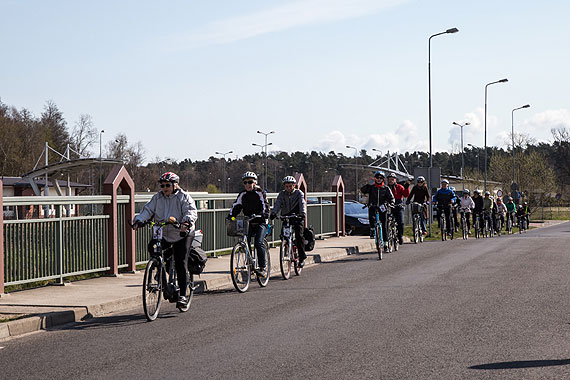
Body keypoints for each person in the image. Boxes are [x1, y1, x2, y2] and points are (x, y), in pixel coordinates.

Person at [133, 172, 198, 309]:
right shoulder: (157, 198)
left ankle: (183, 296)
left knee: (181, 262)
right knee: (153, 248)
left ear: (175, 185)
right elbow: (147, 210)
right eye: (162, 185)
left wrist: (186, 223)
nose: (164, 188)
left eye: (167, 185)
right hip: (163, 232)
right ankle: (160, 273)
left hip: (182, 233)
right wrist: (139, 220)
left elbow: (190, 211)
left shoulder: (184, 197)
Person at [229, 172, 270, 277]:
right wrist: (231, 216)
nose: (248, 184)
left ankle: (262, 267)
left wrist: (264, 214)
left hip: (260, 221)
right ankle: (250, 264)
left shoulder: (260, 192)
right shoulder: (242, 194)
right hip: (248, 222)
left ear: (255, 182)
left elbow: (265, 204)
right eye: (245, 182)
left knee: (258, 242)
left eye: (250, 182)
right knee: (245, 241)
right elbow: (236, 206)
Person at [270, 176, 307, 267]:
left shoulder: (299, 193)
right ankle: (286, 246)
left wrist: (302, 213)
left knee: (299, 236)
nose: (288, 188)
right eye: (286, 186)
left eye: (290, 186)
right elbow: (277, 204)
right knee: (283, 235)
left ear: (294, 185)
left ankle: (302, 258)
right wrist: (273, 213)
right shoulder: (282, 194)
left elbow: (302, 203)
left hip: (297, 217)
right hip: (286, 217)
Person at [360, 170, 395, 252]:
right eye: (377, 178)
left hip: (383, 207)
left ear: (383, 179)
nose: (379, 179)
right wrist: (369, 183)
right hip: (373, 206)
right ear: (375, 178)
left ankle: (386, 244)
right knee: (371, 217)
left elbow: (391, 198)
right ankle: (372, 229)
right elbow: (363, 190)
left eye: (381, 178)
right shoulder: (372, 187)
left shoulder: (386, 188)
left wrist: (391, 203)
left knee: (384, 226)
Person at [387, 172, 411, 245]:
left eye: (392, 179)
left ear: (395, 180)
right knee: (386, 221)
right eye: (389, 179)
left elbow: (406, 195)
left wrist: (406, 187)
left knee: (400, 222)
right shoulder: (386, 187)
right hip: (389, 205)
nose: (391, 181)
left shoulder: (399, 187)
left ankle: (400, 236)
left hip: (398, 205)